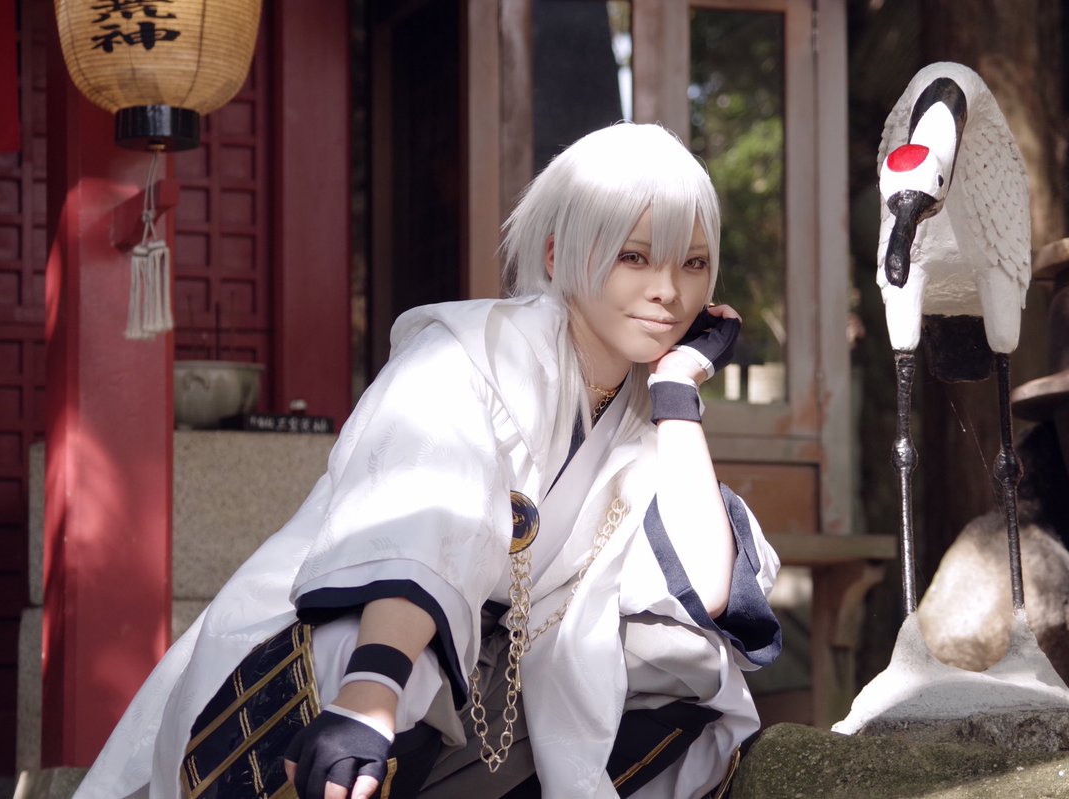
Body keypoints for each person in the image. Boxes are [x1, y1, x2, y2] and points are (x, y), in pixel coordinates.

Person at [75, 122, 782, 799]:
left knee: (691, 662)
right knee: (390, 651)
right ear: (557, 255)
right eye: (635, 257)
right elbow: (418, 528)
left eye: (693, 264)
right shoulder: (469, 355)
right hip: (337, 653)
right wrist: (368, 697)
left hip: (493, 667)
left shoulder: (642, 409)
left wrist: (676, 389)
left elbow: (706, 591)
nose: (669, 291)